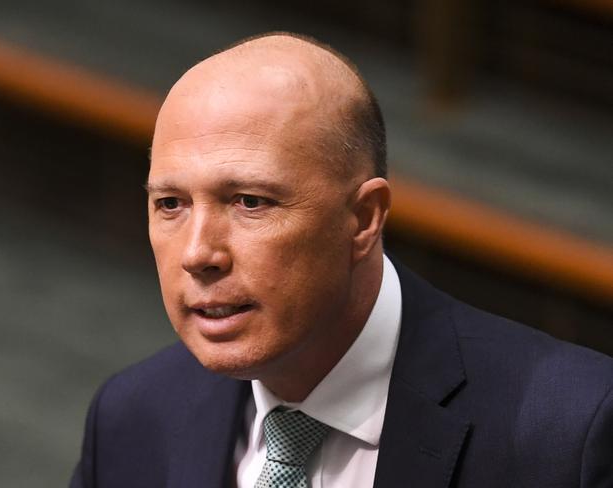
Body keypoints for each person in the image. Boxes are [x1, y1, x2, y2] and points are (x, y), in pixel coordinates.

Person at [70, 33, 613, 488]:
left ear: (364, 218)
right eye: (171, 204)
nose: (197, 254)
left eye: (250, 202)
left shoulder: (570, 433)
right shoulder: (131, 416)